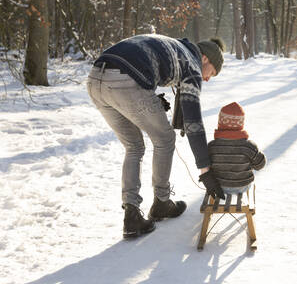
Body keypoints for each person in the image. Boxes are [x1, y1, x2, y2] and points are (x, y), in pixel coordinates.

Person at [86, 34, 226, 239]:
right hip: (126, 80)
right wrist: (205, 169)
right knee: (165, 140)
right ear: (205, 59)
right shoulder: (193, 66)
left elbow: (141, 59)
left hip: (95, 79)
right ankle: (162, 202)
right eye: (211, 73)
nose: (206, 79)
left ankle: (132, 215)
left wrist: (149, 96)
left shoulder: (176, 46)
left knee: (134, 146)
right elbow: (193, 121)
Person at [207, 102, 266, 194]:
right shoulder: (249, 146)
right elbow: (260, 165)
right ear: (240, 124)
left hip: (218, 186)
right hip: (243, 186)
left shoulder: (212, 146)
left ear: (221, 122)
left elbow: (206, 166)